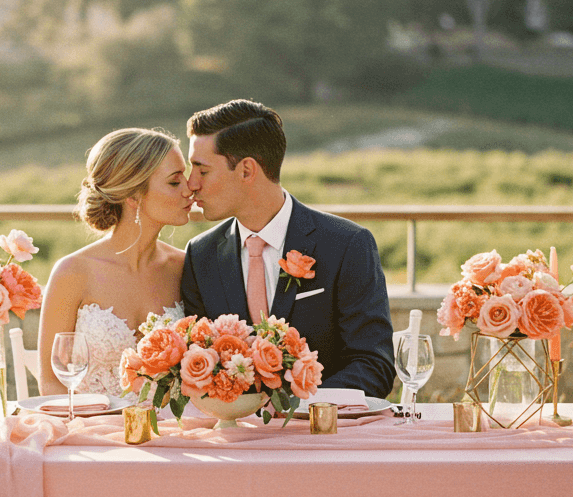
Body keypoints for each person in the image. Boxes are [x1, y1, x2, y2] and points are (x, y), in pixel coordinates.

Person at [181, 99, 395, 398]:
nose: (191, 184)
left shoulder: (347, 244)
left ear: (246, 170)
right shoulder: (200, 255)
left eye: (201, 171)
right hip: (234, 437)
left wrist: (293, 410)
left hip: (321, 436)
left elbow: (374, 365)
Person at [37, 128, 193, 396]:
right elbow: (51, 382)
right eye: (174, 182)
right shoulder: (73, 272)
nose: (190, 189)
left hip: (168, 433)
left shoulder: (185, 267)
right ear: (133, 196)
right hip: (89, 430)